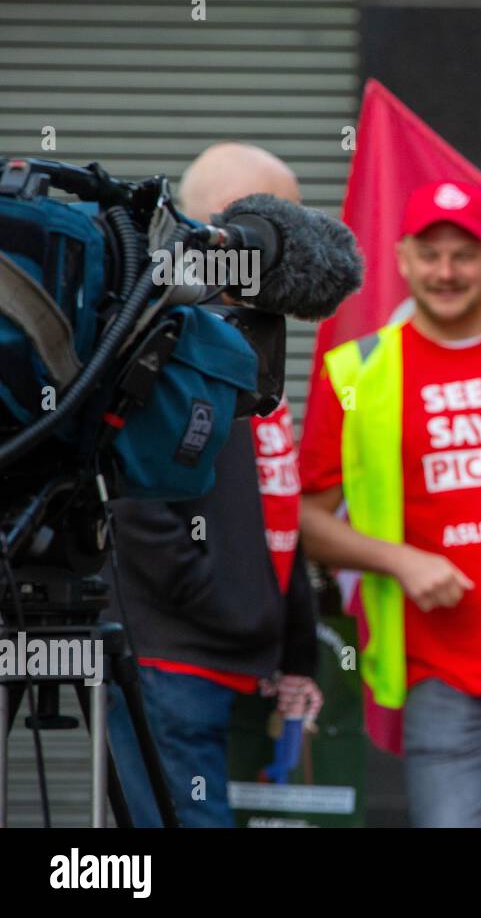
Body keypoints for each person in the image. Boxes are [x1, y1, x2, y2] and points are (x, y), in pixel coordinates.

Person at [297, 179, 481, 827]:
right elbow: (305, 518)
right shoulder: (356, 370)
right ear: (401, 257)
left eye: (465, 254)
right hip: (445, 681)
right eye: (429, 254)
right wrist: (399, 559)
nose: (446, 271)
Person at [106, 142, 321, 828]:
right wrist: (233, 609)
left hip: (232, 665)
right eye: (273, 227)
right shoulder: (159, 335)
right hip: (174, 666)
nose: (291, 246)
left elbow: (276, 506)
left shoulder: (245, 337)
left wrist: (293, 649)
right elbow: (138, 507)